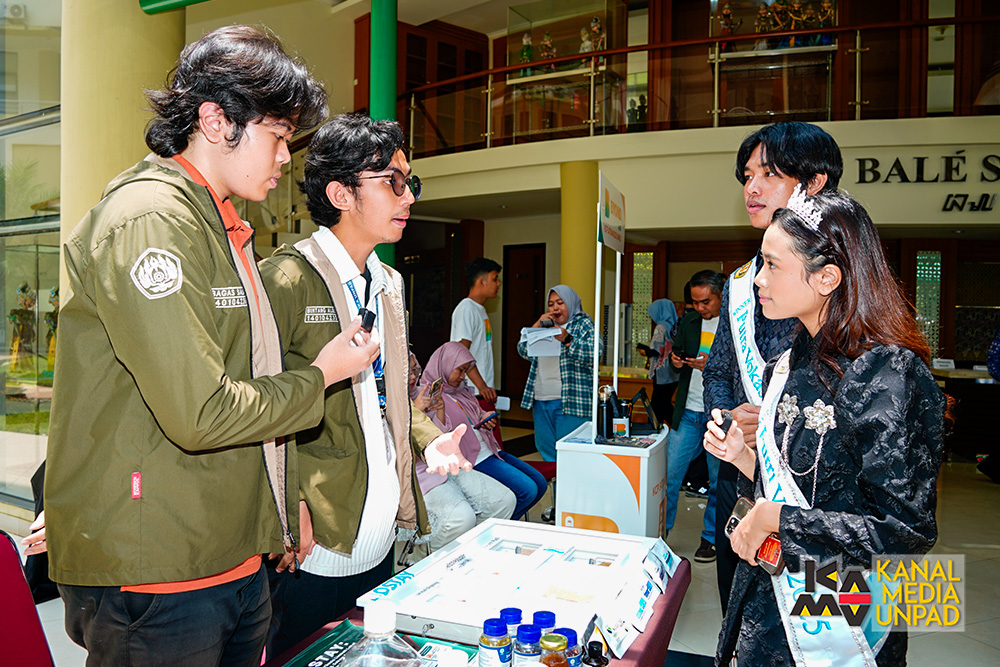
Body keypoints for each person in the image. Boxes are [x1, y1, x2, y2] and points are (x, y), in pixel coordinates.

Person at [43, 26, 376, 666]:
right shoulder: (151, 221)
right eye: (278, 135)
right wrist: (322, 375)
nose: (286, 158)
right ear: (216, 120)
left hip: (228, 554)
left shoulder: (219, 226)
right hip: (162, 568)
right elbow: (202, 412)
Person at [258, 113, 472, 656]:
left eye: (410, 181)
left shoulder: (388, 282)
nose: (409, 196)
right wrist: (286, 503)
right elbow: (256, 407)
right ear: (341, 194)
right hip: (315, 540)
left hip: (378, 533)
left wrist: (428, 438)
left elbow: (388, 393)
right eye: (392, 181)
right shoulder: (285, 280)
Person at [704, 189, 946, 666]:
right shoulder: (793, 360)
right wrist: (746, 459)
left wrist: (776, 519)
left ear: (826, 277)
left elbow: (905, 533)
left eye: (772, 265)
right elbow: (813, 483)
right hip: (775, 595)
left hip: (850, 613)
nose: (758, 279)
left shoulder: (888, 373)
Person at [703, 120, 842, 613]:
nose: (752, 188)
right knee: (739, 604)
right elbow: (718, 369)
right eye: (747, 176)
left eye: (769, 174)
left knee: (823, 617)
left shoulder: (847, 283)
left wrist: (771, 418)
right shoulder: (743, 283)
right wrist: (729, 419)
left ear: (814, 183)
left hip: (816, 486)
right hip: (740, 471)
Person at [420, 342, 546, 521]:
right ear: (446, 364)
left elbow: (477, 413)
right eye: (460, 370)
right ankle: (492, 526)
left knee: (540, 484)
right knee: (527, 490)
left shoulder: (461, 391)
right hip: (473, 459)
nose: (463, 376)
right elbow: (435, 436)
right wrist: (439, 409)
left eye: (465, 371)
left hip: (490, 450)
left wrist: (485, 416)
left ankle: (499, 522)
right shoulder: (428, 397)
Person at [409, 352, 515, 551]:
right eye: (408, 371)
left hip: (445, 464)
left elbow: (441, 437)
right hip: (416, 474)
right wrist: (416, 410)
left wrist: (440, 409)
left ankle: (472, 550)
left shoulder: (424, 393)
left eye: (415, 370)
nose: (414, 376)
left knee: (505, 500)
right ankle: (425, 557)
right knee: (462, 518)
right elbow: (401, 453)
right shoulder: (386, 402)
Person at [663, 270, 725, 563]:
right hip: (688, 410)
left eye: (706, 301)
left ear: (721, 296)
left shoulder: (734, 323)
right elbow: (676, 356)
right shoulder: (689, 322)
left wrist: (713, 365)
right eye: (695, 302)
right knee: (669, 476)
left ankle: (711, 538)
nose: (700, 307)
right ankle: (661, 533)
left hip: (719, 416)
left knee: (718, 482)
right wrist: (675, 361)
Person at [518, 285, 599, 462]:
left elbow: (595, 353)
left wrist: (567, 339)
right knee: (547, 452)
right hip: (541, 399)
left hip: (572, 401)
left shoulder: (583, 324)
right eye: (551, 304)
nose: (555, 308)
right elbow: (523, 350)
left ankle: (571, 482)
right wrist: (536, 326)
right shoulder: (544, 326)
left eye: (560, 303)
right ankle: (555, 482)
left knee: (571, 453)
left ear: (570, 303)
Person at [451, 257, 502, 405]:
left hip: (483, 392)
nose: (498, 284)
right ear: (482, 281)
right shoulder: (466, 309)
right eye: (495, 279)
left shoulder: (480, 309)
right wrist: (482, 386)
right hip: (473, 393)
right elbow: (461, 353)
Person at [642, 299, 679, 424]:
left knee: (657, 405)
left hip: (662, 373)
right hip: (673, 372)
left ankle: (655, 430)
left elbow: (656, 350)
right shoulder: (673, 325)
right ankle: (672, 427)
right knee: (664, 403)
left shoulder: (661, 327)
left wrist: (645, 352)